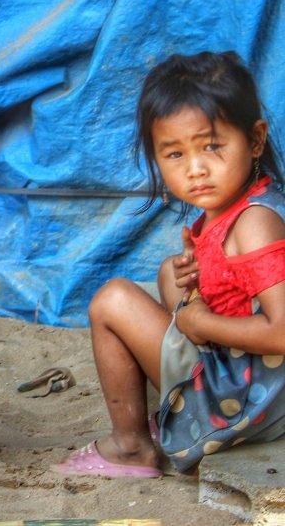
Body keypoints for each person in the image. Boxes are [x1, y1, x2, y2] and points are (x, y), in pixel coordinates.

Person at [52, 51, 285, 478]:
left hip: (251, 404)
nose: (196, 170)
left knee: (112, 300)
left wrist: (201, 323)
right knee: (169, 272)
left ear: (255, 140)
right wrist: (204, 283)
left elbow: (282, 331)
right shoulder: (240, 206)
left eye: (212, 146)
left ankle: (131, 447)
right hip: (254, 382)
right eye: (175, 154)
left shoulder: (255, 223)